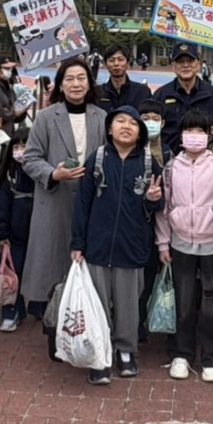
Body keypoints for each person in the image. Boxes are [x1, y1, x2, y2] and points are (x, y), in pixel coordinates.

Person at [71, 106, 165, 384]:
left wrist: (153, 198)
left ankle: (126, 350)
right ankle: (100, 355)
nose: (126, 126)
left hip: (133, 248)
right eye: (119, 121)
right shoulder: (97, 159)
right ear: (109, 129)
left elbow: (157, 206)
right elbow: (82, 204)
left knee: (128, 305)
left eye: (132, 123)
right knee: (98, 304)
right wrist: (77, 242)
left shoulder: (149, 162)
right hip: (97, 247)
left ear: (140, 132)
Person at [156, 109, 213, 383]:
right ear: (181, 135)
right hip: (181, 243)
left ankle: (211, 357)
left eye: (199, 131)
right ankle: (181, 354)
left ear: (208, 136)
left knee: (212, 304)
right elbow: (165, 209)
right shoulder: (172, 168)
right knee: (183, 303)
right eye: (189, 131)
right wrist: (163, 243)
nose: (194, 136)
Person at [20, 58, 107, 315]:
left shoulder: (102, 117)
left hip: (91, 201)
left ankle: (85, 316)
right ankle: (53, 317)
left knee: (87, 262)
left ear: (90, 83)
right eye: (69, 79)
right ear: (60, 84)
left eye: (81, 78)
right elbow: (30, 158)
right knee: (54, 262)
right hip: (55, 199)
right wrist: (53, 174)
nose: (76, 84)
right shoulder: (46, 117)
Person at [136, 99, 174, 341]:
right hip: (135, 224)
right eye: (145, 118)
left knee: (152, 274)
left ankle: (151, 317)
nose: (150, 123)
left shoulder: (170, 152)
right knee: (136, 278)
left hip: (160, 223)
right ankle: (135, 321)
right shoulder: (130, 149)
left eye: (154, 118)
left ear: (163, 122)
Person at [0, 128, 36, 331]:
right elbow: (1, 206)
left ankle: (38, 306)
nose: (20, 151)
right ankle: (11, 311)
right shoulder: (9, 174)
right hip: (15, 235)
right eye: (16, 147)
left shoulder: (42, 171)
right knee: (12, 274)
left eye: (25, 146)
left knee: (39, 270)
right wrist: (2, 235)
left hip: (40, 233)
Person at [151, 42, 213, 152]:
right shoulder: (161, 95)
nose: (185, 65)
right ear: (173, 66)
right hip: (169, 161)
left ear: (198, 64)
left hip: (205, 162)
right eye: (180, 61)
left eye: (190, 60)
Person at [96, 44, 152, 113]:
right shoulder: (97, 93)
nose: (116, 63)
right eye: (111, 60)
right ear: (105, 64)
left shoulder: (142, 92)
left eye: (120, 59)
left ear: (128, 63)